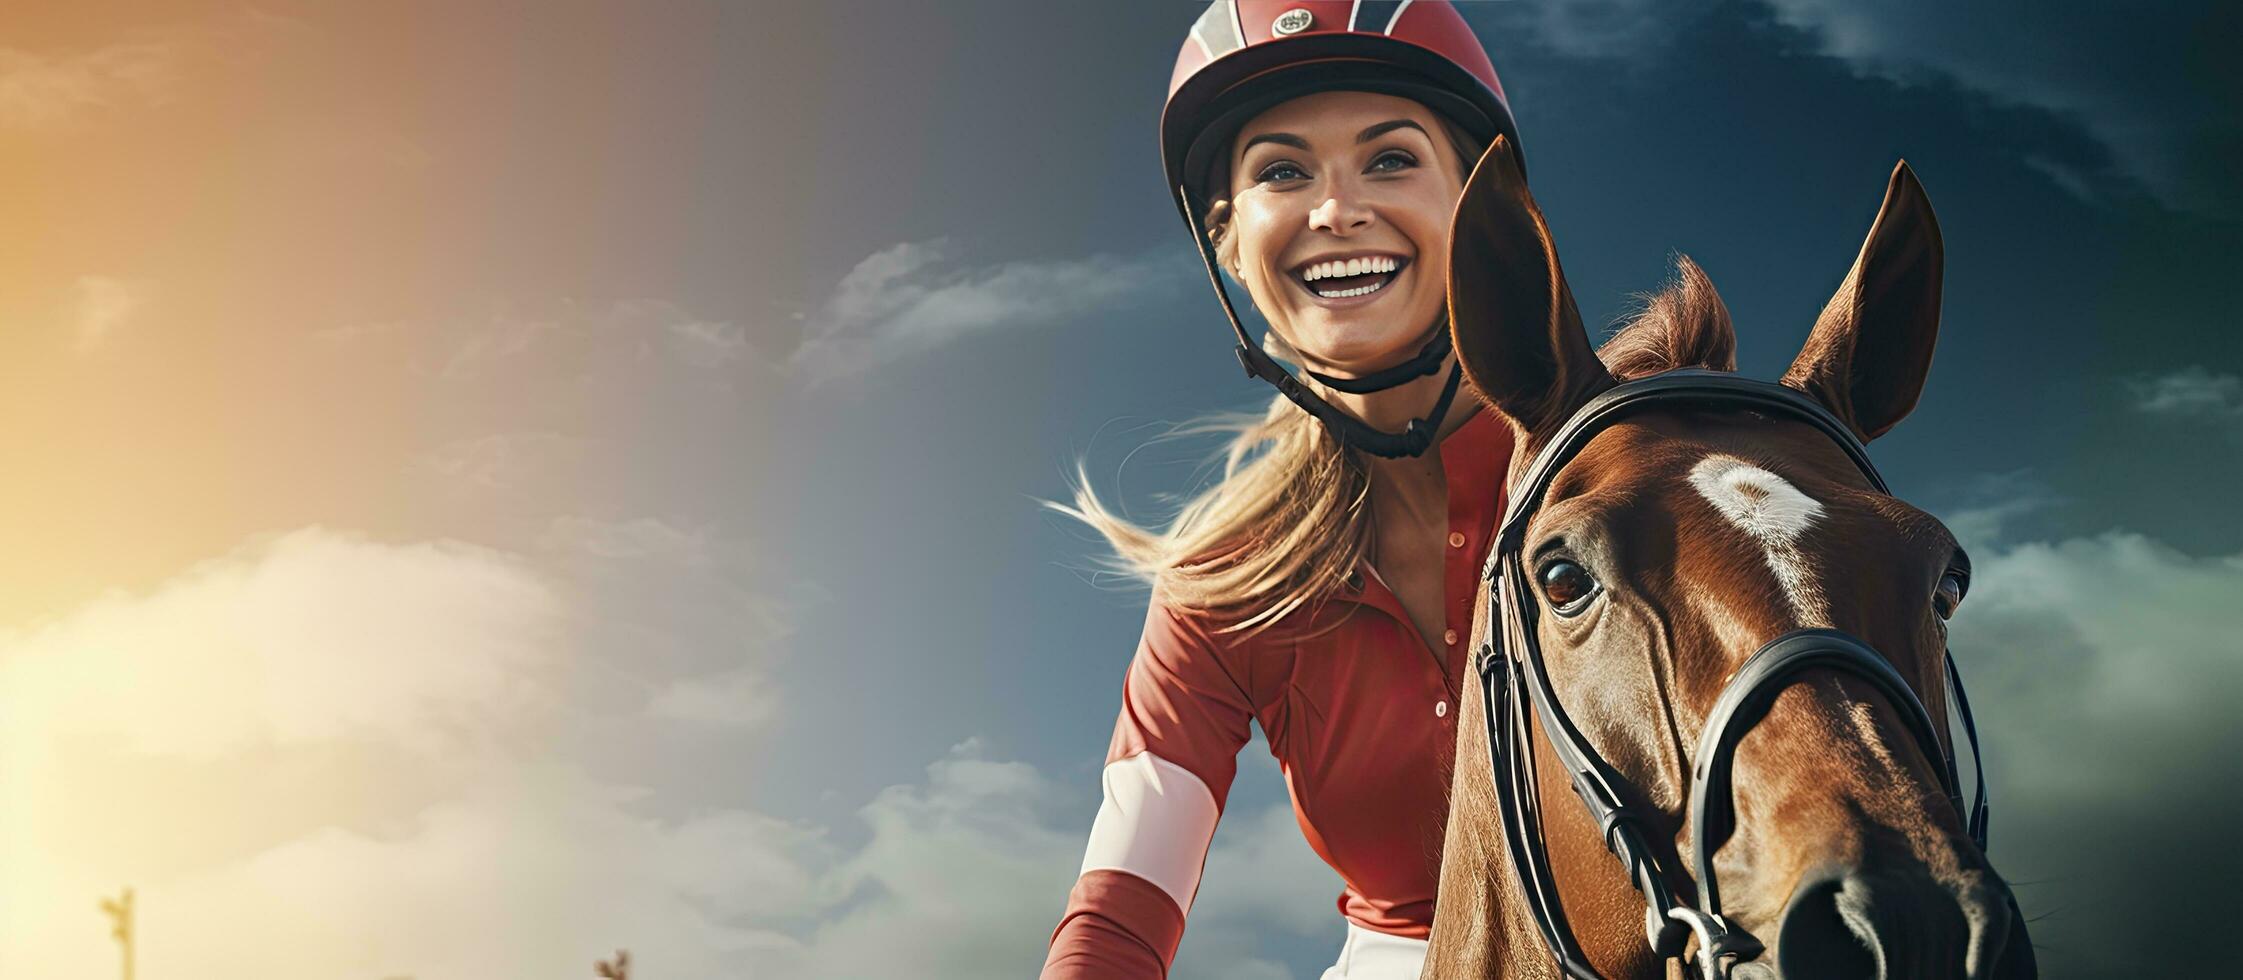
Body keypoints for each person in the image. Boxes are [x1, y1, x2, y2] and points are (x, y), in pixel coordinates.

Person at [1039, 3, 1528, 978]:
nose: (1333, 209)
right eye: (1280, 171)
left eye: (1388, 159)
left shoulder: (1639, 470)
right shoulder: (1220, 580)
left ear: (1485, 211)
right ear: (1226, 242)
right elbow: (1121, 909)